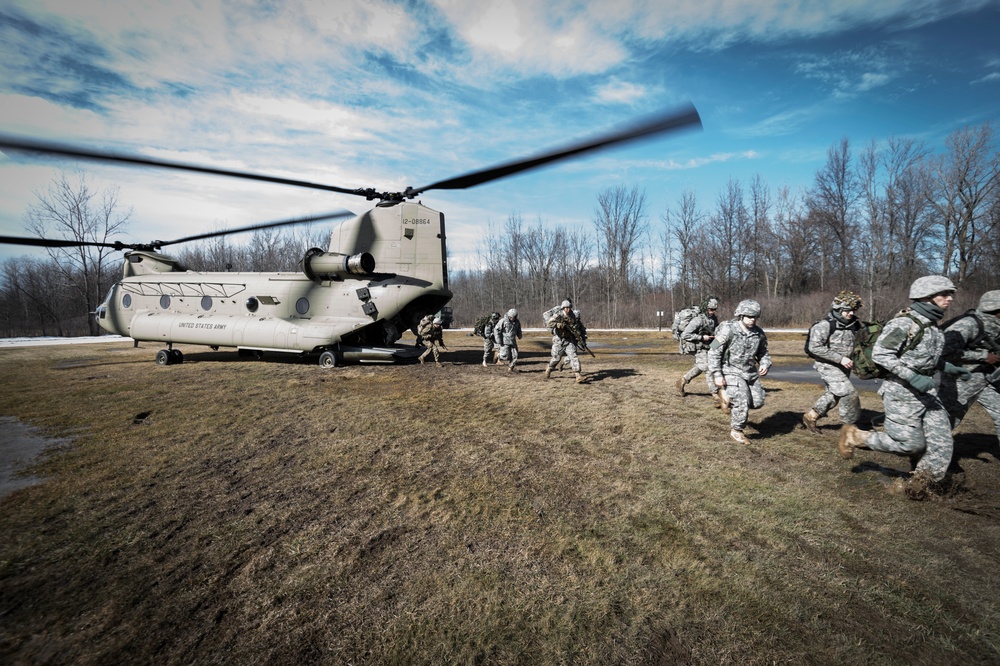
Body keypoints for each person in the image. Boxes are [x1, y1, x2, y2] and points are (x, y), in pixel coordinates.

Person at [837, 275, 972, 492]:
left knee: (942, 440)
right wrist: (912, 377)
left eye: (951, 294)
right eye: (944, 294)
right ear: (927, 297)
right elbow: (881, 354)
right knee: (910, 444)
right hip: (901, 391)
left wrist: (947, 367)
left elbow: (923, 356)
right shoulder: (904, 322)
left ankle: (922, 484)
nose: (950, 299)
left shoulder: (932, 326)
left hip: (926, 391)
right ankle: (856, 436)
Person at [707, 299, 772, 444]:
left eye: (755, 317)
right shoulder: (728, 330)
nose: (752, 320)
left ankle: (726, 396)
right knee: (742, 401)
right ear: (741, 315)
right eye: (749, 316)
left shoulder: (759, 333)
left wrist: (765, 363)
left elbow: (764, 352)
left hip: (750, 373)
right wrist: (717, 374)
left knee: (758, 402)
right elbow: (713, 350)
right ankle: (737, 430)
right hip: (731, 370)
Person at [940, 289, 1000, 441]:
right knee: (945, 422)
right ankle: (919, 451)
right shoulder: (969, 324)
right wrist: (983, 356)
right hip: (959, 382)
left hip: (987, 381)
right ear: (995, 308)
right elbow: (944, 350)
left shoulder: (995, 325)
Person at [802, 291, 863, 434]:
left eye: (853, 310)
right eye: (847, 311)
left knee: (834, 395)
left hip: (844, 366)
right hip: (827, 365)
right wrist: (840, 359)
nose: (851, 313)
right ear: (838, 310)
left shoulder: (854, 325)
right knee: (848, 393)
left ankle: (811, 416)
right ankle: (849, 429)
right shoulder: (824, 325)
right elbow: (814, 347)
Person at [675, 297, 721, 406]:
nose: (713, 312)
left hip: (709, 346)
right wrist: (701, 337)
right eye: (711, 309)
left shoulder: (713, 319)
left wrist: (718, 344)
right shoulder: (698, 320)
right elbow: (685, 334)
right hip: (698, 346)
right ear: (705, 308)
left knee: (700, 367)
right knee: (708, 367)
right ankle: (715, 395)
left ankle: (682, 381)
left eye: (714, 309)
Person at [544, 300, 588, 383]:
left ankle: (578, 375)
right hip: (559, 340)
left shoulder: (572, 315)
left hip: (569, 340)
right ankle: (549, 369)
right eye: (566, 308)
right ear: (563, 308)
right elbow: (549, 324)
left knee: (573, 356)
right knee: (556, 358)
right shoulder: (558, 315)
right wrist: (558, 325)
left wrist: (578, 336)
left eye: (569, 308)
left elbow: (575, 326)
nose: (568, 309)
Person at [494, 308, 523, 372]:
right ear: (509, 316)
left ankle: (510, 368)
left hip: (513, 341)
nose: (514, 318)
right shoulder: (503, 321)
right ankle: (497, 355)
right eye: (513, 317)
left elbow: (518, 329)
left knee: (515, 356)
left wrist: (519, 335)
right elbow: (496, 330)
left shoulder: (517, 322)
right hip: (504, 341)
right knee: (505, 356)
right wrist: (498, 340)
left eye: (515, 317)